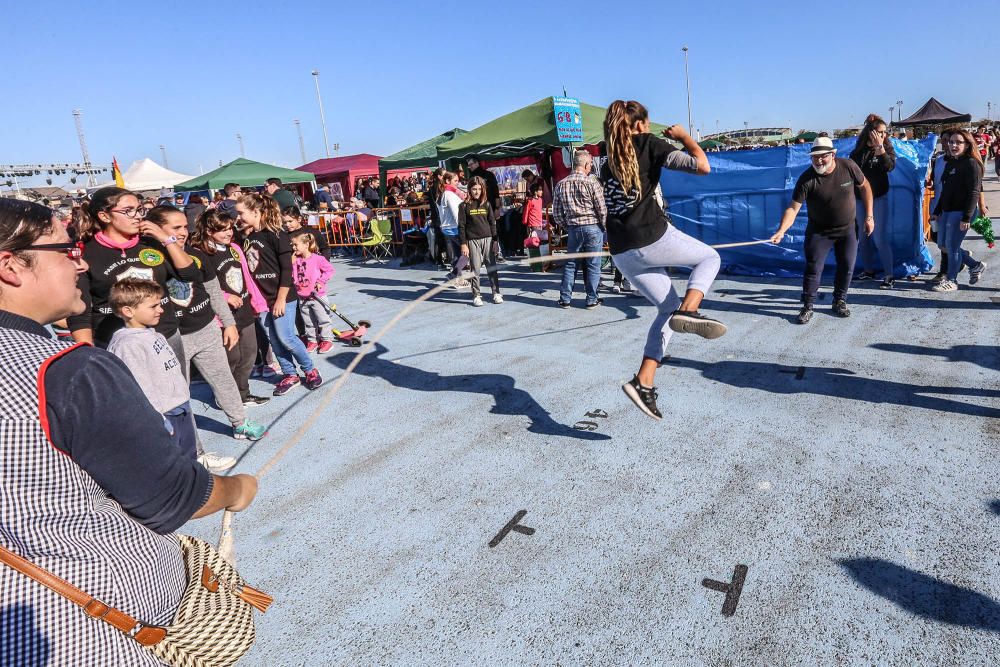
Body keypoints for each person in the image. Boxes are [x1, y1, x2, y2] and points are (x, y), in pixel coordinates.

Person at [0, 197, 257, 666]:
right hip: (96, 620)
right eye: (66, 249)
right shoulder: (66, 372)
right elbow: (173, 498)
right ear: (10, 265)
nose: (79, 261)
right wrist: (238, 490)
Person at [600, 100, 724, 421]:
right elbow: (703, 165)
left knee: (665, 311)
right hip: (650, 236)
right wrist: (685, 137)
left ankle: (643, 381)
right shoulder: (650, 143)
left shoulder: (606, 158)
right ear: (641, 124)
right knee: (709, 259)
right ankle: (691, 309)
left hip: (621, 251)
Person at [146, 205, 266, 440]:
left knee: (224, 379)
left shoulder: (196, 256)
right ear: (157, 230)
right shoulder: (149, 261)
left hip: (207, 329)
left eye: (184, 227)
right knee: (178, 393)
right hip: (174, 337)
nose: (182, 232)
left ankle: (240, 423)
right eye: (175, 228)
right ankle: (191, 443)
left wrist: (229, 323)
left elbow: (213, 292)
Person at [771, 136, 874, 324]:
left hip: (848, 229)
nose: (818, 161)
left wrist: (869, 216)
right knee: (813, 268)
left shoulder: (848, 167)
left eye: (823, 156)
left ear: (833, 155)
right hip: (819, 232)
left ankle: (839, 300)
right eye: (814, 157)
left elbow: (865, 187)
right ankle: (808, 306)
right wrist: (781, 230)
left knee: (847, 266)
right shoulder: (806, 179)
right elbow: (793, 208)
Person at [238, 192, 323, 395]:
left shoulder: (277, 235)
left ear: (256, 212)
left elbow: (287, 271)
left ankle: (310, 370)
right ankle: (289, 374)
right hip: (263, 300)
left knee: (286, 337)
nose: (238, 217)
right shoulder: (249, 238)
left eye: (241, 213)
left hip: (283, 297)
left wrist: (281, 299)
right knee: (274, 340)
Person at [107, 278, 199, 458]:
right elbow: (138, 389)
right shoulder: (128, 345)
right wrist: (159, 420)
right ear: (128, 311)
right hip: (163, 416)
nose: (161, 310)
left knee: (189, 459)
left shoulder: (152, 334)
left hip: (180, 408)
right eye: (153, 306)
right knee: (172, 465)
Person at [192, 209, 271, 407]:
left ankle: (242, 393)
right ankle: (225, 397)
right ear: (209, 231)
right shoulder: (200, 253)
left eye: (229, 229)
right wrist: (226, 297)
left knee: (250, 353)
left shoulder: (234, 247)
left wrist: (256, 302)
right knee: (231, 357)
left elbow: (246, 277)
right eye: (222, 230)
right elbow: (199, 286)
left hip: (244, 311)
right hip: (222, 317)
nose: (229, 233)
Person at [931, 128, 987, 291]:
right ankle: (975, 265)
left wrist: (966, 218)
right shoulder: (951, 163)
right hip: (947, 211)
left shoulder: (971, 164)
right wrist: (937, 211)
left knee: (952, 246)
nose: (953, 145)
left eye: (958, 142)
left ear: (968, 144)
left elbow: (974, 192)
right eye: (951, 142)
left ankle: (952, 280)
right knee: (943, 245)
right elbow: (945, 190)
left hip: (961, 212)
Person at [849, 114, 897, 288]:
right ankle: (869, 271)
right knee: (863, 237)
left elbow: (889, 167)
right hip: (860, 200)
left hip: (879, 199)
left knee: (879, 238)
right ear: (870, 132)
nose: (883, 135)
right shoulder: (858, 152)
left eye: (885, 133)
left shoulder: (887, 149)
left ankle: (889, 275)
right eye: (880, 132)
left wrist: (880, 149)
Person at [554, 149, 606, 308]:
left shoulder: (561, 184)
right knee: (593, 264)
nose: (591, 166)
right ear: (584, 164)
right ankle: (591, 299)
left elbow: (556, 214)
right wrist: (602, 227)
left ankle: (565, 299)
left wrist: (567, 225)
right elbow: (602, 209)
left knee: (570, 265)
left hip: (573, 229)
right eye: (590, 164)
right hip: (592, 227)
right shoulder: (592, 183)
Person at [458, 176, 502, 306]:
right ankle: (476, 295)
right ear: (469, 189)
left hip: (488, 240)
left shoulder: (486, 204)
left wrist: (495, 241)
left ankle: (496, 293)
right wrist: (463, 244)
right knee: (475, 269)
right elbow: (461, 226)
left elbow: (492, 223)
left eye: (479, 189)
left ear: (483, 190)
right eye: (474, 189)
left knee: (491, 268)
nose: (476, 192)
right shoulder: (464, 206)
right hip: (472, 241)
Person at [292, 233, 335, 352]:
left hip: (317, 296)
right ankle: (312, 340)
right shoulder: (296, 260)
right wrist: (291, 263)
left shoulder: (318, 259)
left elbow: (330, 270)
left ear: (306, 244)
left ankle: (327, 340)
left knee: (323, 319)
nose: (294, 248)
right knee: (308, 321)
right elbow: (292, 276)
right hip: (302, 297)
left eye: (296, 245)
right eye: (293, 245)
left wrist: (320, 281)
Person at [436, 172, 467, 285]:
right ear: (448, 181)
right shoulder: (449, 194)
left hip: (448, 228)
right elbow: (456, 213)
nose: (457, 183)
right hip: (454, 228)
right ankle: (454, 275)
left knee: (459, 255)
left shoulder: (444, 193)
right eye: (455, 181)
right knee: (467, 253)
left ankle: (458, 280)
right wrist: (463, 227)